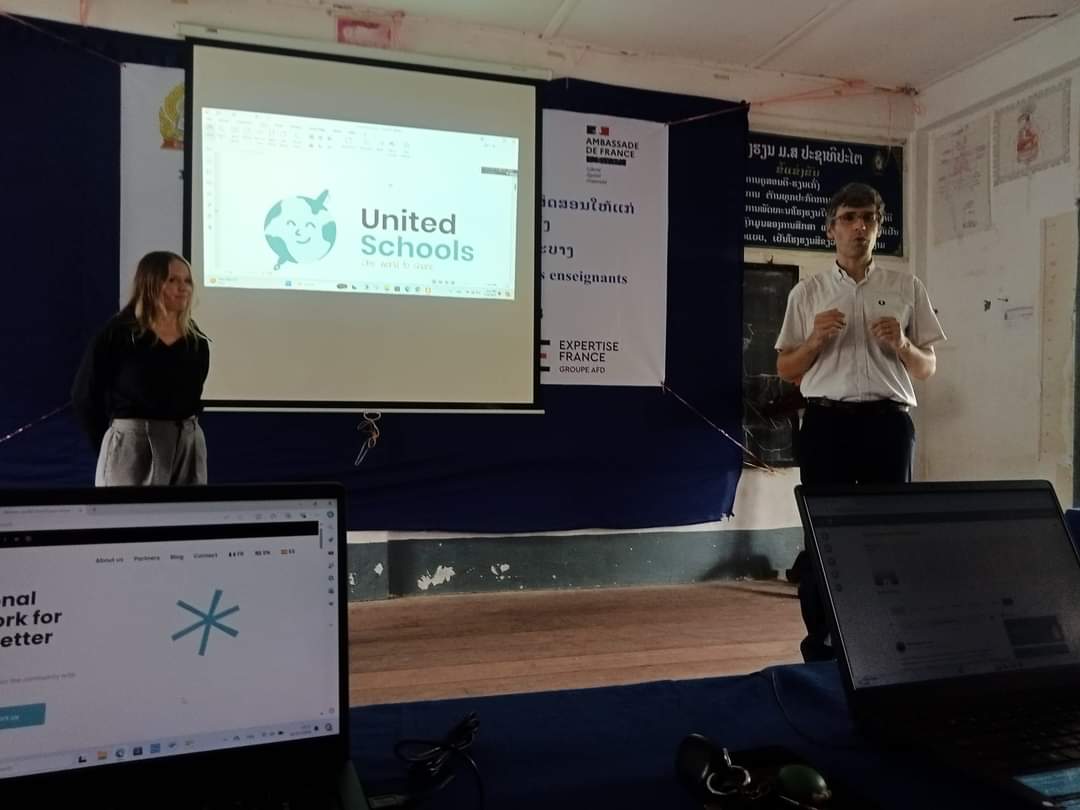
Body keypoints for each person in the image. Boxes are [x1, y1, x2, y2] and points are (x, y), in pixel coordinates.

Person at [774, 183, 946, 662]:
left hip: (888, 426)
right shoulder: (807, 293)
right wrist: (814, 342)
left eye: (869, 218)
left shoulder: (906, 287)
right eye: (849, 217)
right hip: (826, 425)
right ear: (831, 228)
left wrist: (903, 345)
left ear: (879, 227)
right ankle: (822, 650)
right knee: (823, 537)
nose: (859, 227)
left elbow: (927, 368)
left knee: (888, 537)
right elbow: (786, 368)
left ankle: (888, 644)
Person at [72, 251, 210, 486]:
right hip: (133, 447)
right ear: (150, 284)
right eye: (172, 280)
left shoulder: (196, 341)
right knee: (131, 510)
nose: (183, 288)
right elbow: (84, 395)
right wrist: (115, 443)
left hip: (187, 445)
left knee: (187, 510)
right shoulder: (119, 334)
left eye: (187, 281)